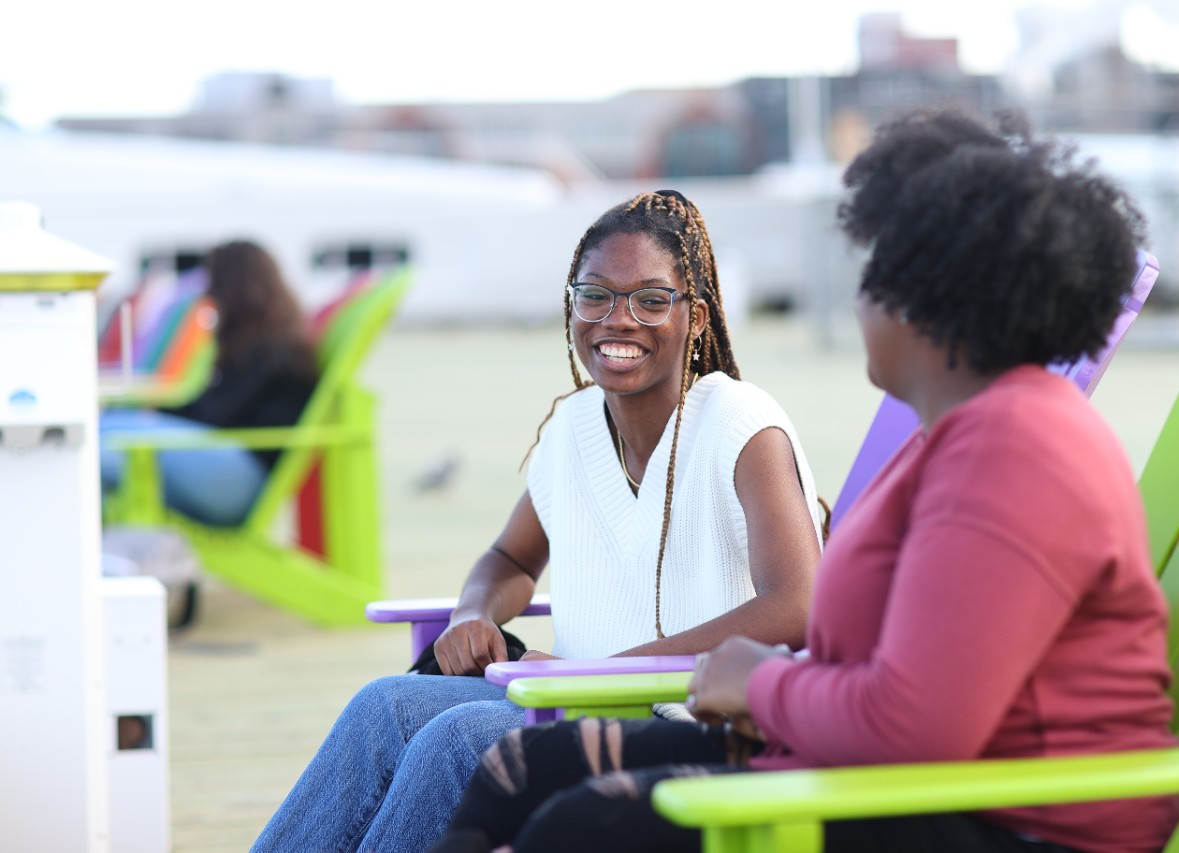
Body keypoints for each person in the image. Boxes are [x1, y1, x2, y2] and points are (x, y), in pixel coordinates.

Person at [429, 109, 1179, 853]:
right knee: (518, 769)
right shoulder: (957, 438)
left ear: (929, 299)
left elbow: (917, 725)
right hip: (900, 776)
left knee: (581, 825)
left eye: (873, 275)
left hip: (1013, 817)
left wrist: (758, 683)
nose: (858, 302)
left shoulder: (1015, 456)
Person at [249, 190, 826, 853]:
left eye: (650, 299)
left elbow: (800, 601)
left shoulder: (740, 422)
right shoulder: (573, 429)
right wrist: (474, 612)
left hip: (691, 715)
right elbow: (512, 559)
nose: (620, 320)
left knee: (456, 739)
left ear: (694, 317)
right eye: (597, 296)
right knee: (384, 707)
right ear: (572, 305)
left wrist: (610, 672)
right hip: (574, 695)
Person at [100, 239, 318, 526]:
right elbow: (213, 410)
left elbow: (217, 414)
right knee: (107, 432)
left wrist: (158, 414)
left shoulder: (270, 349)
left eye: (213, 281)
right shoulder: (261, 341)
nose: (207, 293)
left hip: (239, 478)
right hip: (228, 467)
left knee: (102, 442)